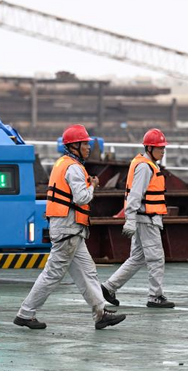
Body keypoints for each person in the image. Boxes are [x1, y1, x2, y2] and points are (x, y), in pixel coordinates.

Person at [14, 125, 126, 330]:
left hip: (70, 230)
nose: (88, 148)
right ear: (74, 146)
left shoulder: (62, 164)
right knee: (52, 274)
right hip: (68, 229)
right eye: (85, 144)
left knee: (88, 271)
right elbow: (81, 197)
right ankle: (25, 313)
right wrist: (92, 185)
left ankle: (100, 314)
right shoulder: (73, 168)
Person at [101, 128, 175, 309]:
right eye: (160, 148)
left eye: (164, 148)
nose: (163, 151)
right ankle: (155, 296)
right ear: (149, 148)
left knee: (137, 258)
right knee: (156, 258)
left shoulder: (147, 164)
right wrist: (130, 219)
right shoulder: (144, 167)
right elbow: (135, 195)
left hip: (145, 218)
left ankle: (109, 287)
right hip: (146, 219)